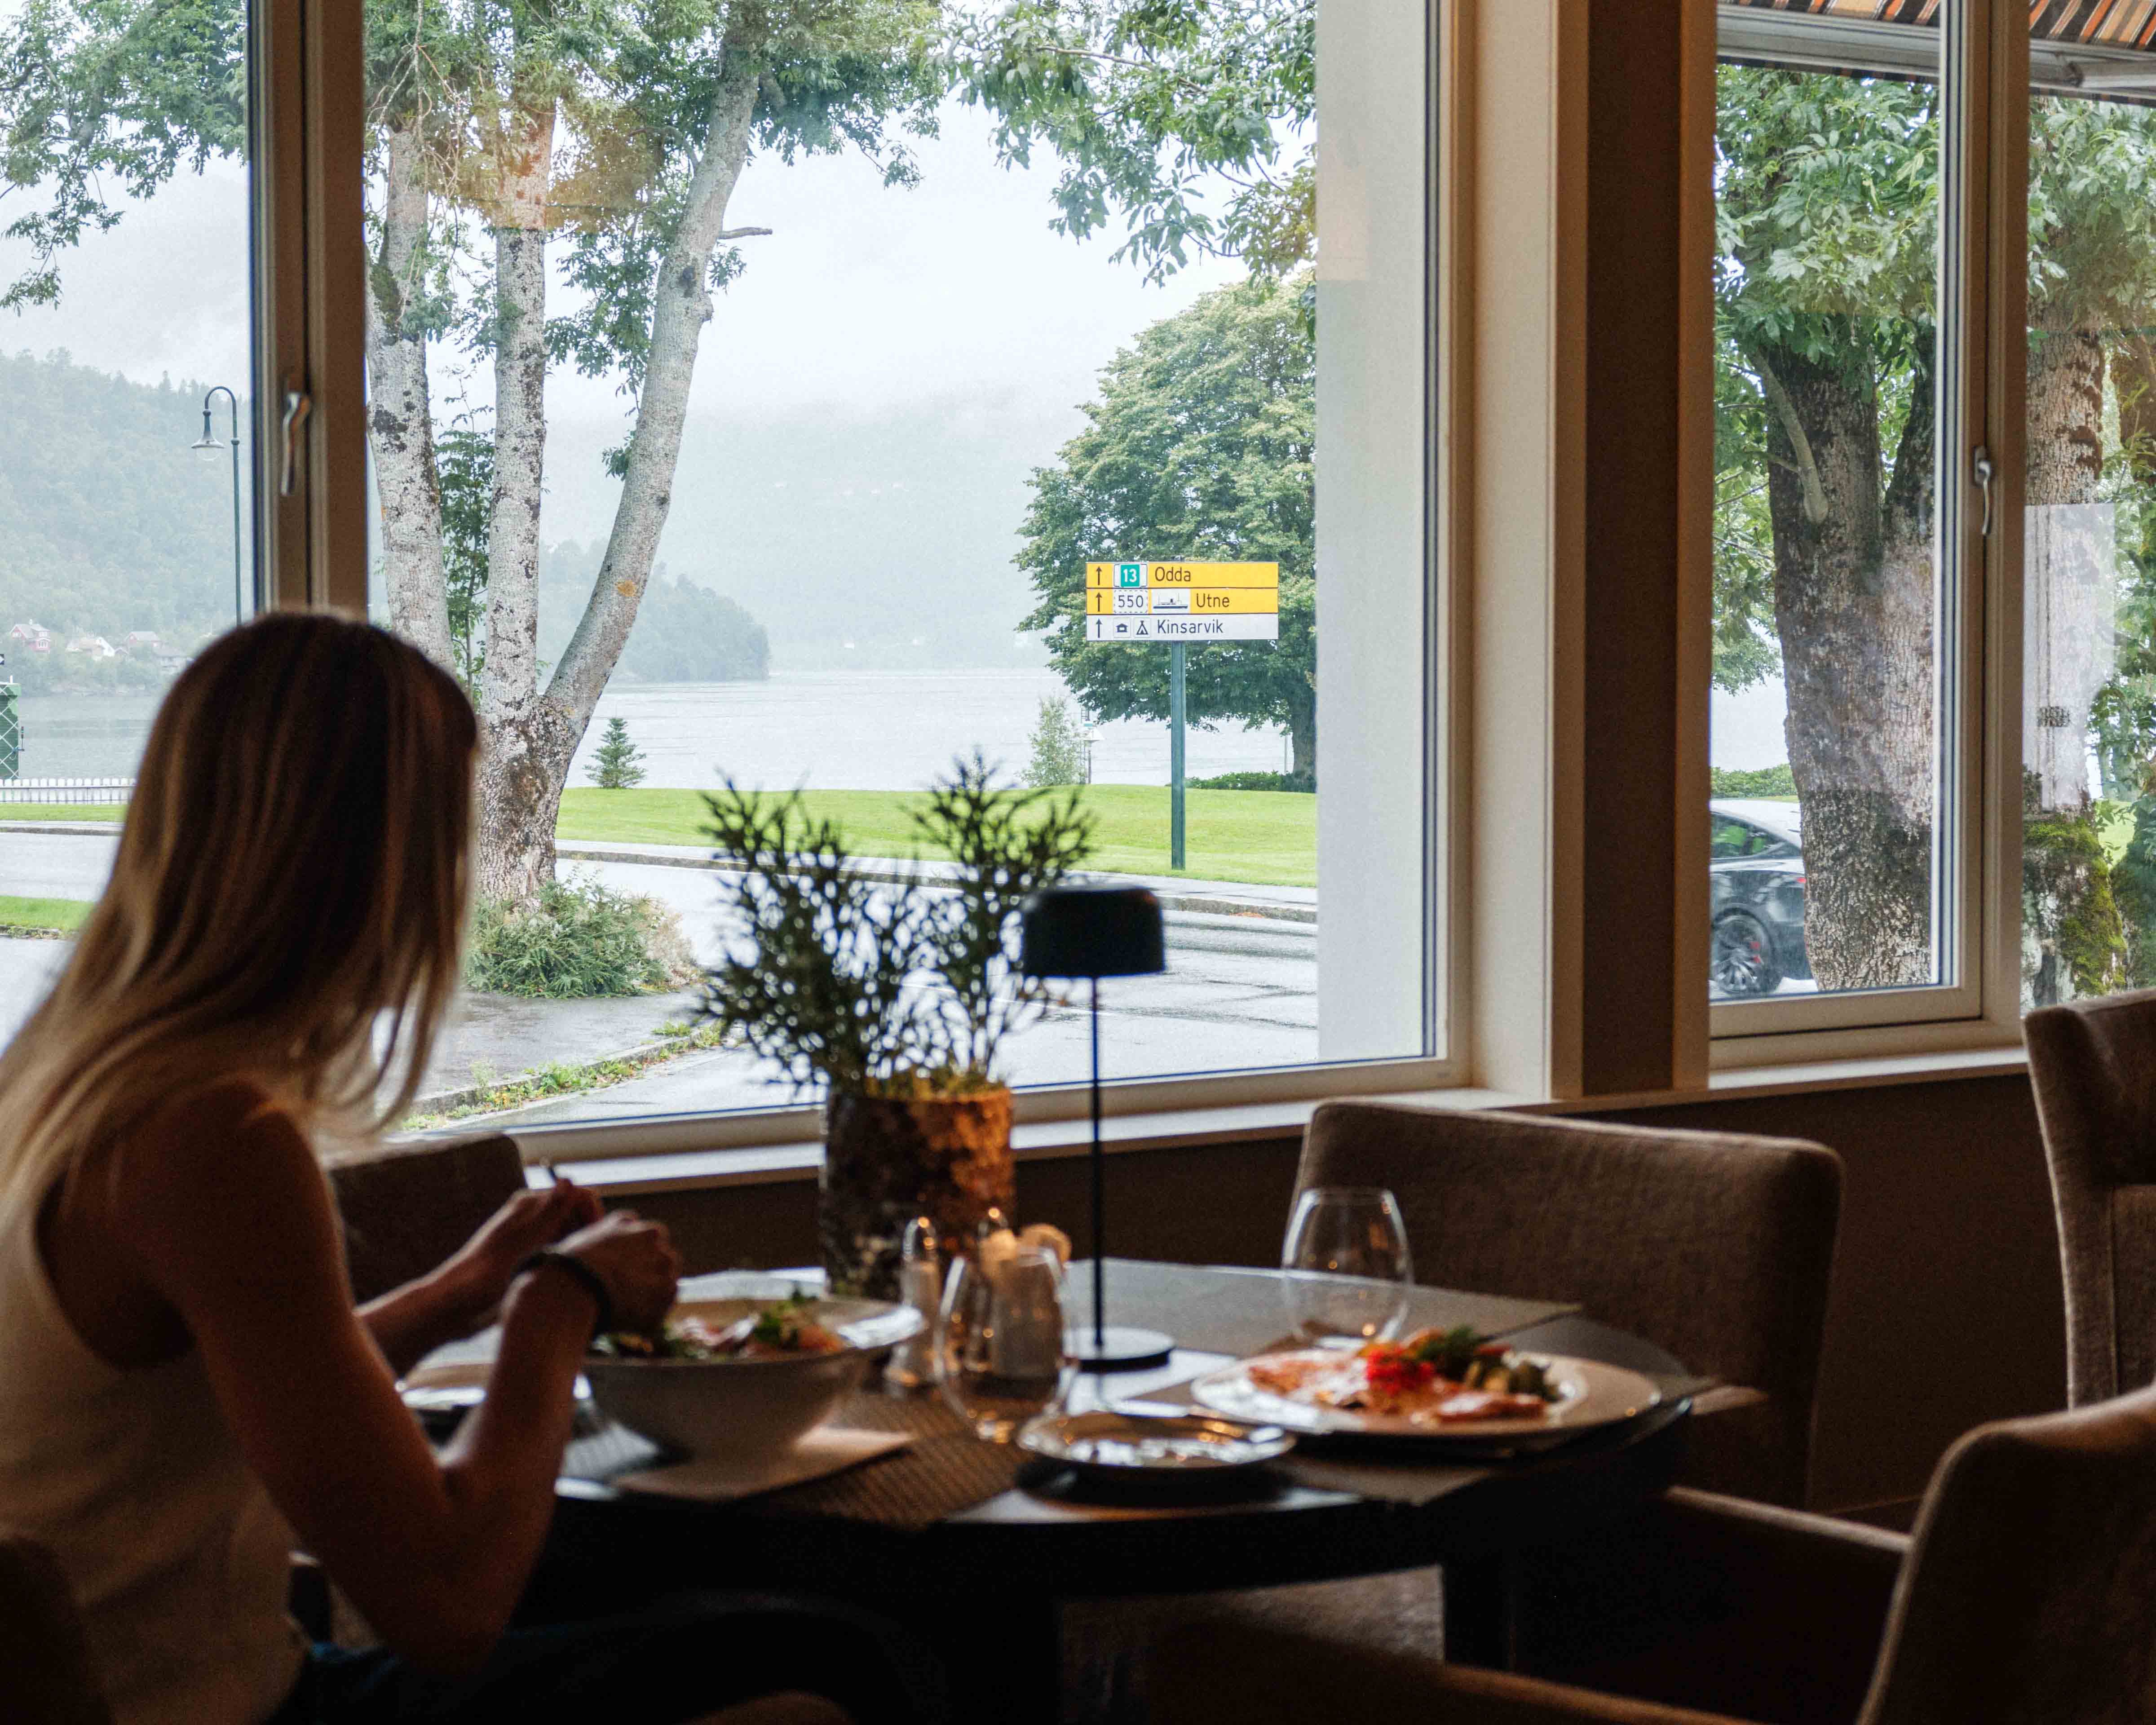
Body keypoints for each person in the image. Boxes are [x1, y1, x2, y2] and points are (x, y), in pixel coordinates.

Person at [0, 615, 937, 1725]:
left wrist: (467, 1288)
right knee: (832, 1661)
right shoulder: (212, 1138)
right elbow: (448, 1608)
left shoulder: (64, 1073)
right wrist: (560, 1300)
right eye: (447, 833)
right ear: (369, 857)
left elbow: (260, 1396)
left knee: (755, 1629)